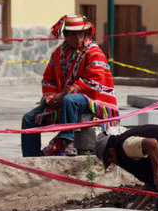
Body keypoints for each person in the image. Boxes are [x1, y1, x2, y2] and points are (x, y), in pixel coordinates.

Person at [21, 14, 118, 157]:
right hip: (63, 98)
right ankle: (31, 158)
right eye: (73, 34)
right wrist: (51, 97)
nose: (78, 38)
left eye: (81, 34)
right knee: (29, 118)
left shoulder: (94, 52)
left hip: (93, 98)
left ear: (85, 34)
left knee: (69, 101)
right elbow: (48, 79)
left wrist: (62, 95)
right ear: (65, 35)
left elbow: (93, 81)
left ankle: (68, 142)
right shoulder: (58, 53)